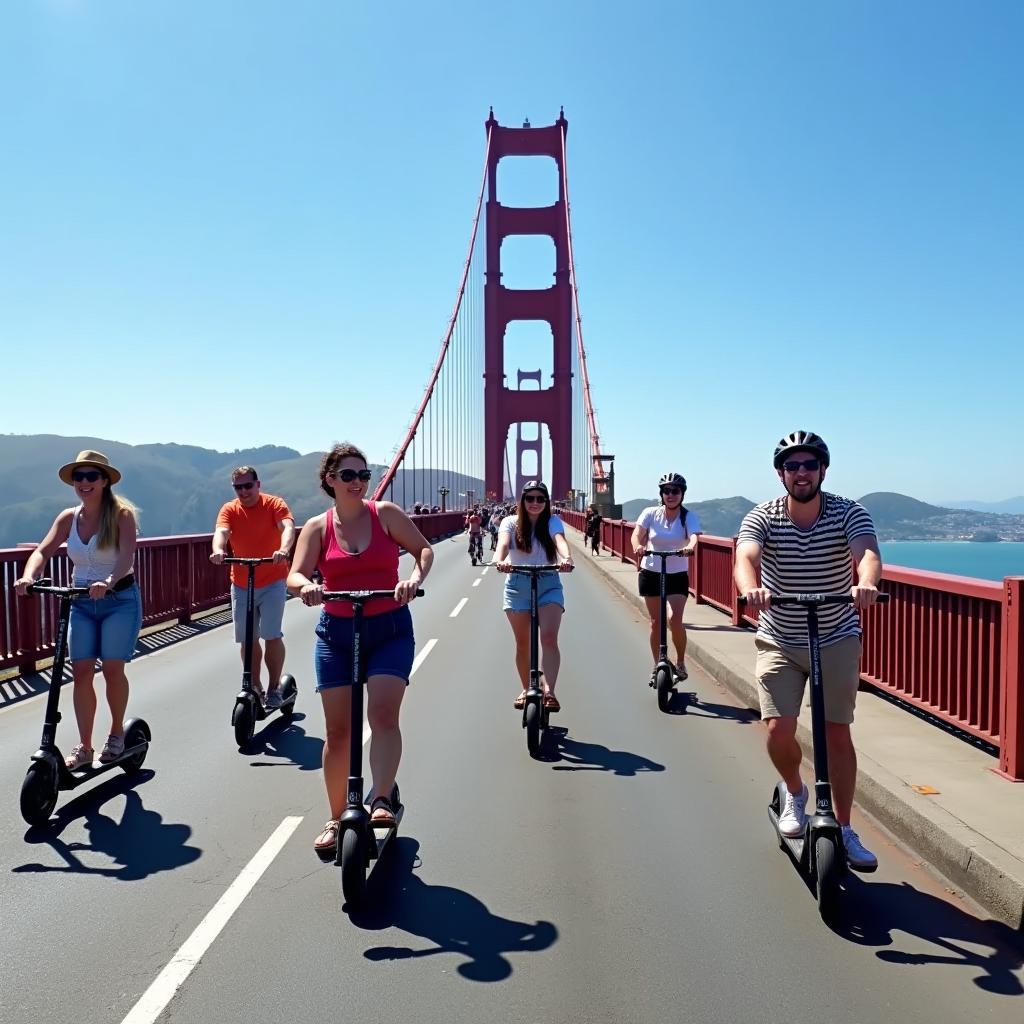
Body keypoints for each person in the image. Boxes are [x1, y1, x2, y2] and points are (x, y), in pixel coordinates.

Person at [733, 430, 882, 870]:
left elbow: (867, 553)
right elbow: (746, 556)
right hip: (780, 633)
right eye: (793, 466)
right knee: (779, 729)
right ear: (781, 474)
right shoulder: (763, 515)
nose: (802, 473)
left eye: (810, 465)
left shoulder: (848, 512)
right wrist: (750, 589)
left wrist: (867, 582)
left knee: (837, 731)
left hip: (836, 633)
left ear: (823, 470)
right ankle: (796, 794)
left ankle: (846, 826)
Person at [287, 442, 433, 857]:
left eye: (364, 475)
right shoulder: (316, 527)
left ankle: (382, 798)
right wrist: (308, 588)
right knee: (338, 731)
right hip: (336, 632)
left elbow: (424, 550)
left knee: (383, 714)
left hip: (388, 629)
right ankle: (336, 818)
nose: (358, 483)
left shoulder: (384, 515)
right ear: (330, 480)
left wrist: (413, 578)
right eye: (348, 475)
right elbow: (294, 575)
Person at [14, 451, 143, 768]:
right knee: (81, 672)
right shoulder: (68, 518)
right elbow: (43, 550)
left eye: (91, 476)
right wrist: (29, 576)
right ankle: (85, 747)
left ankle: (115, 735)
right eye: (79, 477)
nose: (84, 482)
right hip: (81, 602)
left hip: (119, 601)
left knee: (112, 669)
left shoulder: (121, 516)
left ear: (104, 481)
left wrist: (110, 580)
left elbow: (126, 557)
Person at [210, 466, 295, 708]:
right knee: (247, 638)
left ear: (258, 484)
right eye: (238, 487)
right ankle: (254, 685)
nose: (244, 491)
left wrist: (283, 550)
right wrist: (218, 550)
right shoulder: (230, 509)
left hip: (272, 579)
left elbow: (287, 527)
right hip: (241, 581)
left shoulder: (274, 504)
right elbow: (222, 531)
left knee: (271, 634)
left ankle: (274, 687)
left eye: (248, 485)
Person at [494, 481, 574, 712]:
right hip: (517, 585)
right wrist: (501, 561)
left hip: (548, 583)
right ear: (522, 501)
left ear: (546, 502)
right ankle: (524, 687)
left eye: (541, 498)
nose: (535, 503)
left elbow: (560, 541)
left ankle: (550, 691)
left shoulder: (552, 521)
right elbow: (504, 543)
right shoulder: (510, 522)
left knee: (548, 638)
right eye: (530, 498)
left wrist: (567, 559)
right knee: (522, 643)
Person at [630, 473, 701, 682]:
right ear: (661, 494)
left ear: (682, 494)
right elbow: (637, 533)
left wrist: (689, 547)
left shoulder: (688, 517)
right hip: (651, 571)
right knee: (655, 622)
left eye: (675, 491)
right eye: (666, 491)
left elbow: (695, 536)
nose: (670, 495)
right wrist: (637, 546)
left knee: (674, 618)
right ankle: (657, 664)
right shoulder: (650, 513)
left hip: (677, 574)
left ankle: (680, 662)